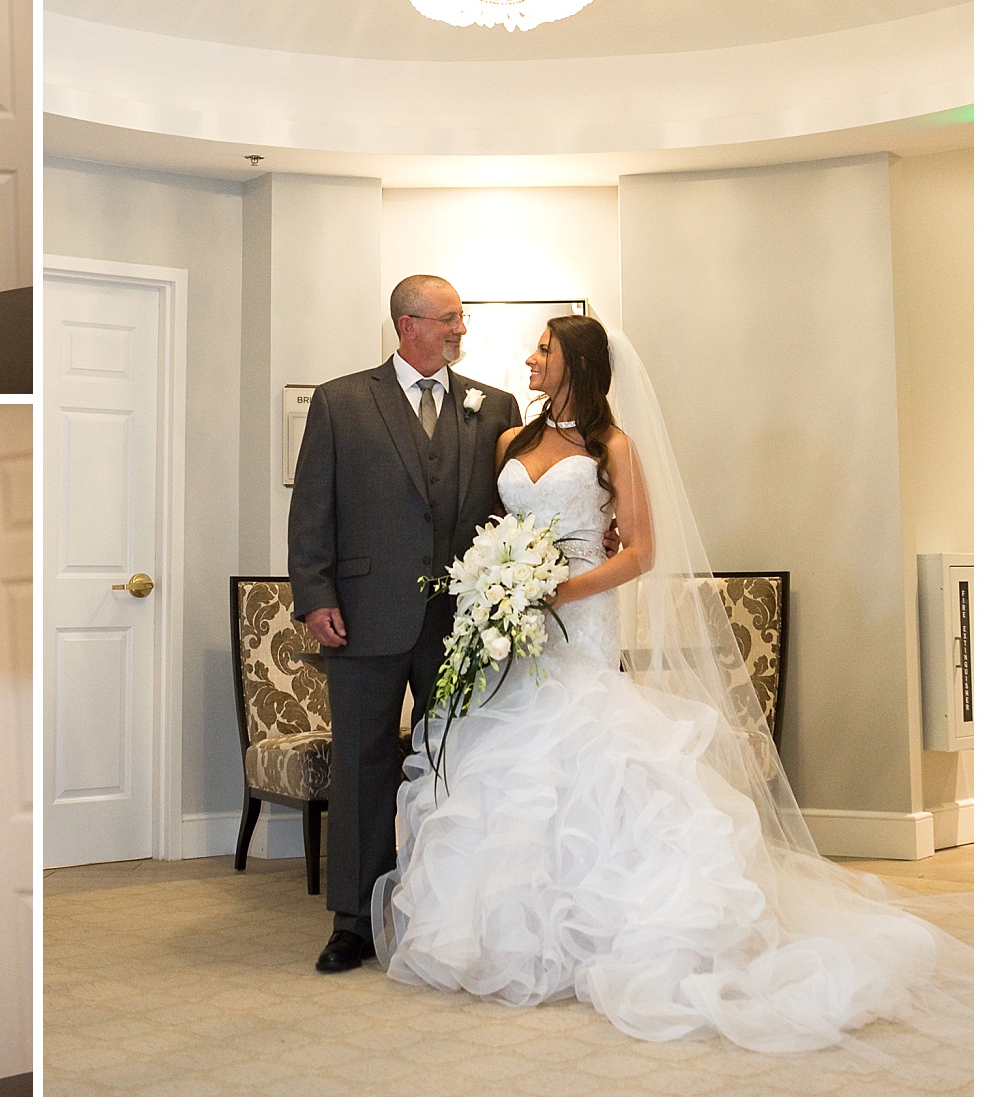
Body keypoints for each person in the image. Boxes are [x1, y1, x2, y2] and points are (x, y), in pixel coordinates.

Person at [372, 315, 970, 1051]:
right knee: (506, 766)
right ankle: (510, 931)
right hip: (514, 632)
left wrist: (558, 591)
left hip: (580, 623)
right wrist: (501, 585)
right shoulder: (510, 442)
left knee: (582, 757)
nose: (529, 358)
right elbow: (494, 530)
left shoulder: (612, 447)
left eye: (543, 350)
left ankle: (605, 927)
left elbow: (642, 552)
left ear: (576, 365)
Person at [287, 275, 523, 974]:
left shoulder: (495, 405)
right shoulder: (340, 401)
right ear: (407, 323)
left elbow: (509, 512)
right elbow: (311, 509)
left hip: (463, 621)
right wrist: (314, 595)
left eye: (460, 321)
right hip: (361, 617)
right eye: (448, 320)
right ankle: (354, 920)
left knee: (460, 765)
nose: (459, 331)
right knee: (363, 766)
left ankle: (451, 906)